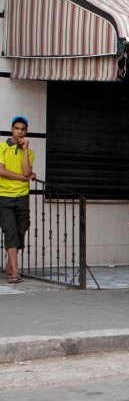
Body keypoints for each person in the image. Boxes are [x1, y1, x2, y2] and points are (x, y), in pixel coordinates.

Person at [0, 116, 35, 283]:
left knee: (21, 230)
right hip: (4, 196)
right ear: (12, 129)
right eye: (17, 128)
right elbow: (2, 171)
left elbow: (28, 172)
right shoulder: (1, 147)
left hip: (22, 196)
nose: (19, 132)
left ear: (26, 131)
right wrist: (23, 178)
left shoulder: (28, 152)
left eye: (23, 129)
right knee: (11, 232)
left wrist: (26, 150)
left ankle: (9, 265)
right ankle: (15, 272)